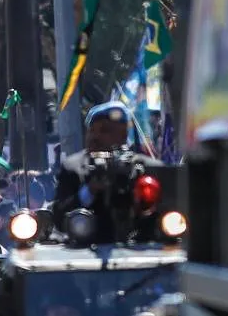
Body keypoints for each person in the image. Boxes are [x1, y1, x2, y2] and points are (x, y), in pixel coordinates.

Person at [51, 101, 164, 239]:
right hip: (88, 248)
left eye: (104, 130)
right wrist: (89, 192)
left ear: (123, 134)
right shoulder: (73, 167)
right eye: (91, 130)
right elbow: (58, 218)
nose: (95, 137)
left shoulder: (149, 168)